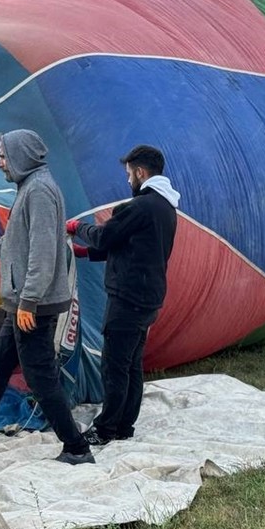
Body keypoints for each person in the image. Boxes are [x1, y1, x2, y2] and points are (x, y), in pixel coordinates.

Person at [0, 129, 95, 466]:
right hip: (23, 304)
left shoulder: (39, 191)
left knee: (40, 376)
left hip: (33, 307)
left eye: (3, 156)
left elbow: (43, 251)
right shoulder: (29, 189)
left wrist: (28, 301)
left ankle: (76, 447)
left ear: (21, 156)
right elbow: (14, 241)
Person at [66, 144, 179, 445]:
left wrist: (77, 228)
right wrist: (85, 253)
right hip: (148, 296)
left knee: (114, 365)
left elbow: (106, 235)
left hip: (128, 298)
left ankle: (105, 429)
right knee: (130, 364)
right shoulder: (165, 207)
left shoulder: (139, 206)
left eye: (129, 174)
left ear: (141, 172)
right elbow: (130, 248)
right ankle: (124, 426)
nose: (128, 180)